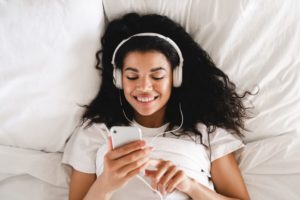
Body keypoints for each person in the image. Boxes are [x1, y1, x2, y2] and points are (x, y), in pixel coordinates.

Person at [62, 12, 251, 200]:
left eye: (157, 76)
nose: (144, 87)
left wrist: (190, 185)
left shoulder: (208, 133)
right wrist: (105, 184)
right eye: (132, 77)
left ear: (175, 78)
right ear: (118, 79)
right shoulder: (95, 132)